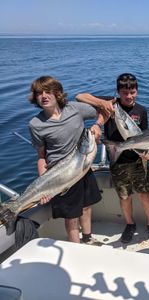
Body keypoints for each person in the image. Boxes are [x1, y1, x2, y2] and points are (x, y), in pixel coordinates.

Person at [76, 73, 149, 244]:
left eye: (132, 92)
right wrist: (103, 103)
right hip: (118, 160)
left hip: (139, 160)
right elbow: (79, 97)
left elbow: (143, 135)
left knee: (145, 193)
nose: (129, 96)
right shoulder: (110, 105)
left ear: (137, 91)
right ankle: (130, 224)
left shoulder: (142, 111)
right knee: (124, 197)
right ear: (118, 92)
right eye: (124, 93)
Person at [28, 76, 105, 245]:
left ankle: (88, 238)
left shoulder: (74, 108)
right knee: (71, 217)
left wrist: (97, 125)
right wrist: (44, 185)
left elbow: (103, 111)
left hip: (82, 167)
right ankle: (76, 249)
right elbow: (41, 156)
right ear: (36, 98)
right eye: (39, 93)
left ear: (57, 94)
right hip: (59, 175)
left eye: (48, 92)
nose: (44, 96)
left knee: (86, 206)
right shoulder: (35, 124)